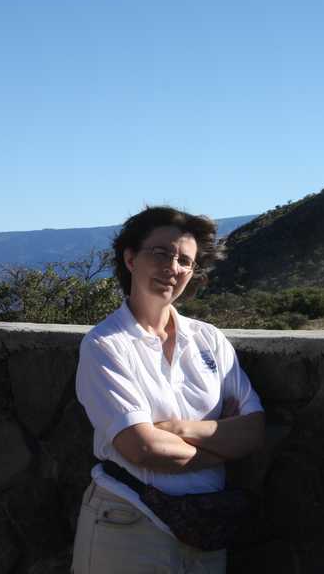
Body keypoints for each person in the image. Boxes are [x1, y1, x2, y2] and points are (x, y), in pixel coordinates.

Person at [72, 206, 265, 574]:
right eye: (160, 253)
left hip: (204, 527)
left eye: (185, 261)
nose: (172, 267)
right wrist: (221, 445)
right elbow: (142, 448)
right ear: (130, 258)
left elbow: (253, 431)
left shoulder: (209, 340)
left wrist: (176, 430)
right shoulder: (106, 345)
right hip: (128, 522)